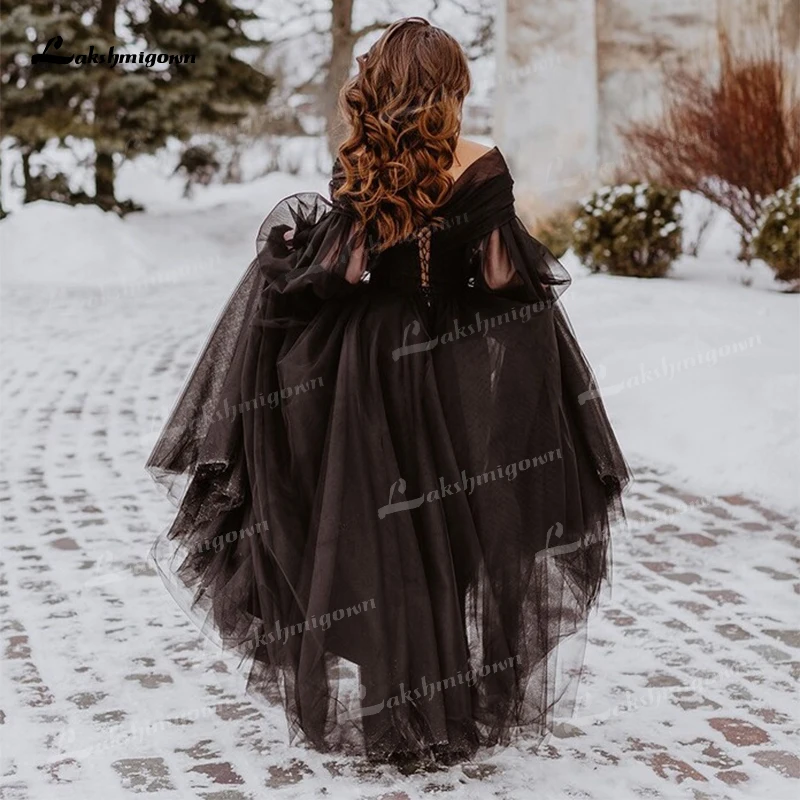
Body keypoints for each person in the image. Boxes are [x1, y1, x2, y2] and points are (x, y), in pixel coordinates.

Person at [147, 16, 630, 772]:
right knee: (445, 523)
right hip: (441, 365)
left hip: (362, 366)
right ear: (447, 89)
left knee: (373, 526)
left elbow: (339, 271)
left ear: (382, 88)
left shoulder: (362, 162)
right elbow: (503, 278)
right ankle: (439, 713)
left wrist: (290, 264)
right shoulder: (479, 162)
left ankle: (390, 712)